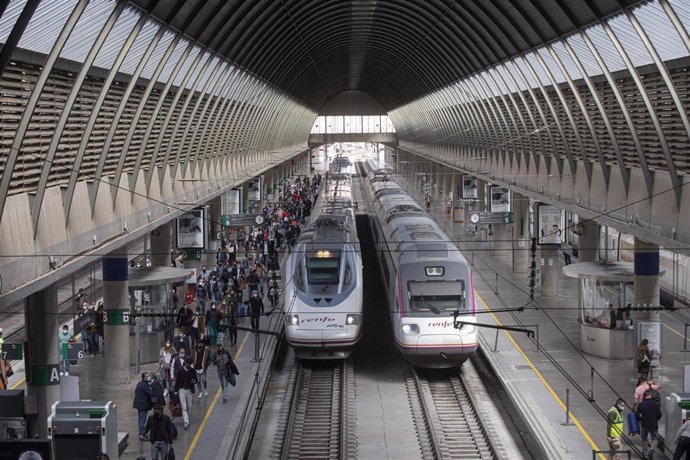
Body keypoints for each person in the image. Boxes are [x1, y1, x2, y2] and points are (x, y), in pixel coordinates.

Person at [636, 389, 662, 459]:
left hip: (644, 425)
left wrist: (642, 419)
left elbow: (637, 416)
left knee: (644, 439)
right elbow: (659, 415)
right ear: (650, 395)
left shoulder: (640, 404)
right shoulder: (655, 404)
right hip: (653, 425)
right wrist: (655, 419)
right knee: (656, 438)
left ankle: (645, 454)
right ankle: (651, 451)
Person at [173, 357, 196, 430]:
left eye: (190, 364)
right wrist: (176, 391)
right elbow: (177, 382)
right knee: (184, 407)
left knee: (189, 406)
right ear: (185, 363)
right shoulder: (180, 371)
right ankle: (186, 422)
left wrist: (194, 381)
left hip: (189, 390)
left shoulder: (192, 371)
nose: (188, 365)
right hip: (181, 390)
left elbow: (196, 379)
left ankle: (187, 418)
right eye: (187, 363)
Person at [132, 372, 155, 439]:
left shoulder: (139, 384)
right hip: (143, 405)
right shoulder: (145, 385)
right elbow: (151, 393)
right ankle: (142, 434)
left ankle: (141, 433)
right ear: (144, 377)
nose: (149, 378)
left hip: (138, 405)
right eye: (147, 377)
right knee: (142, 420)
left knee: (140, 419)